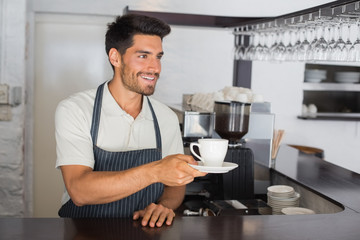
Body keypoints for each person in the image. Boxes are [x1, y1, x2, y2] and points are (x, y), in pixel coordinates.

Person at [55, 14, 206, 227]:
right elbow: (80, 191)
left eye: (158, 57)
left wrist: (165, 205)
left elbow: (175, 183)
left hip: (145, 231)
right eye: (143, 56)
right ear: (115, 58)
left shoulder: (166, 118)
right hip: (84, 231)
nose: (155, 68)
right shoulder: (76, 110)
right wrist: (155, 171)